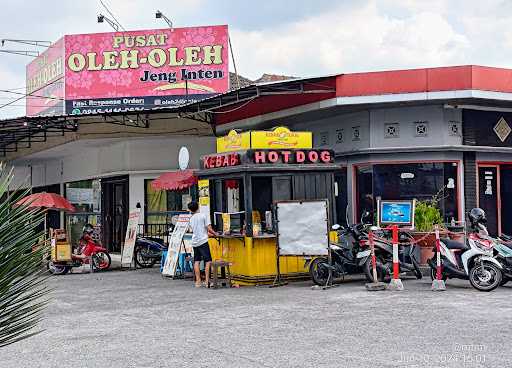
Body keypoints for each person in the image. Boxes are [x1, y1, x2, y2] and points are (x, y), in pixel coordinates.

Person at [188, 201, 217, 287]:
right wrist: (216, 234)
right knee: (208, 261)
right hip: (203, 241)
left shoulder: (191, 218)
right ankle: (207, 281)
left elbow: (195, 231)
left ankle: (198, 281)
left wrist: (207, 233)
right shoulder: (203, 215)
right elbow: (209, 228)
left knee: (196, 261)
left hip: (195, 242)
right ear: (198, 207)